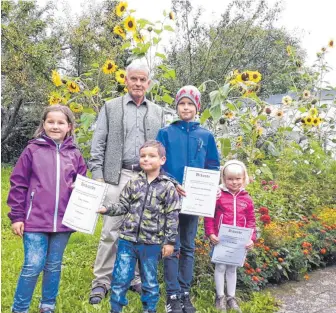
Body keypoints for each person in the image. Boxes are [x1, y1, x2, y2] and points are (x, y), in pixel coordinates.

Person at [88, 60, 166, 304]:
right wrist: (98, 176)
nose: (139, 83)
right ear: (126, 80)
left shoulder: (157, 111)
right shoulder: (111, 108)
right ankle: (102, 280)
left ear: (149, 83)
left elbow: (162, 148)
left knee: (139, 230)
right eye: (134, 78)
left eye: (143, 79)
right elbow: (98, 141)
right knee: (111, 230)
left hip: (146, 177)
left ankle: (132, 277)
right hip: (117, 175)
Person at [7, 105, 87, 313]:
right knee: (33, 265)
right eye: (51, 122)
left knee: (53, 266)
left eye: (61, 123)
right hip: (34, 221)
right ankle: (20, 308)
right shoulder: (32, 150)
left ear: (69, 127)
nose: (55, 126)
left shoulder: (75, 154)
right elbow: (18, 183)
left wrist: (82, 208)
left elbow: (83, 184)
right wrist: (17, 217)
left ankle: (47, 305)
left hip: (64, 221)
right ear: (43, 124)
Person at [156, 85, 220, 313]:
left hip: (194, 201)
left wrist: (209, 187)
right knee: (171, 246)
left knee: (189, 246)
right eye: (181, 103)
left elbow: (213, 165)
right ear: (176, 107)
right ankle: (171, 295)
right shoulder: (165, 133)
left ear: (197, 107)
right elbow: (157, 163)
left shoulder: (206, 136)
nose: (185, 107)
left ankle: (185, 292)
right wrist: (172, 183)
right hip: (171, 199)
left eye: (190, 104)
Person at [97, 140, 180, 313]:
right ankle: (116, 308)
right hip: (127, 241)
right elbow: (122, 205)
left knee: (149, 281)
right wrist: (107, 209)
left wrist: (169, 242)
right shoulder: (133, 182)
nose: (146, 159)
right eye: (143, 156)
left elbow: (172, 216)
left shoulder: (168, 187)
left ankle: (149, 309)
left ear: (162, 160)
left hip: (151, 243)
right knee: (120, 279)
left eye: (151, 156)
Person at [204, 160, 256, 313]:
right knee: (220, 266)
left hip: (239, 242)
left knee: (232, 268)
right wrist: (211, 233)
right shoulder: (218, 196)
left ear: (244, 178)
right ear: (224, 179)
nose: (234, 182)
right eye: (230, 179)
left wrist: (251, 238)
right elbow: (209, 216)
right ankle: (220, 297)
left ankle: (231, 297)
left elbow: (251, 220)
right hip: (221, 239)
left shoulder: (247, 198)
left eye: (238, 179)